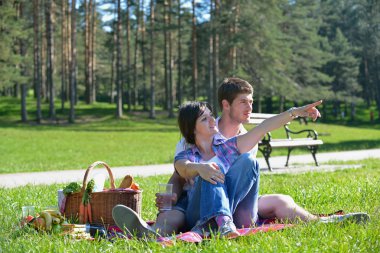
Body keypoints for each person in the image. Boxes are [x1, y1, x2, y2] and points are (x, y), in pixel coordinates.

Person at [112, 78, 369, 238]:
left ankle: (323, 222)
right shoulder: (191, 142)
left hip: (234, 204)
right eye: (244, 102)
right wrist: (180, 186)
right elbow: (180, 168)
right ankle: (152, 232)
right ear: (226, 105)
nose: (250, 107)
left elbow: (263, 128)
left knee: (265, 180)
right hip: (195, 201)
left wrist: (294, 112)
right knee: (175, 214)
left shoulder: (232, 144)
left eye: (252, 101)